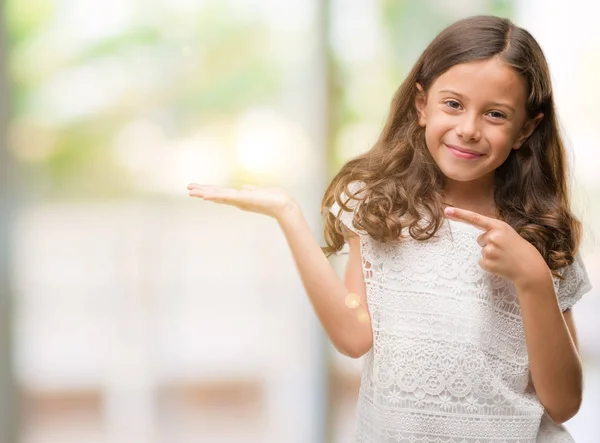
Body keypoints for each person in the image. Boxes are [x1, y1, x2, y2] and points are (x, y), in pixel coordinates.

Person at [187, 15, 592, 443]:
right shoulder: (381, 208)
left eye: (495, 114)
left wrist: (532, 278)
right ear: (422, 106)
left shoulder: (541, 231)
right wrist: (288, 214)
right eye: (453, 104)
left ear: (524, 130)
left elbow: (563, 403)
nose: (468, 129)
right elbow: (352, 334)